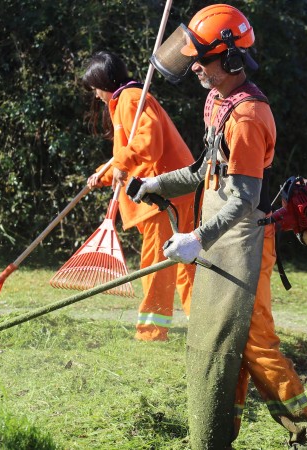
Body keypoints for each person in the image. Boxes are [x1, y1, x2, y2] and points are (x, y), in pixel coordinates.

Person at [131, 4, 307, 448]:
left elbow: (243, 199)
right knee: (221, 339)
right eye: (193, 59)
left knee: (255, 341)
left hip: (247, 240)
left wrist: (197, 238)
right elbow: (205, 171)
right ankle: (218, 433)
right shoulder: (218, 102)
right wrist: (156, 183)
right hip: (222, 239)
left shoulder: (247, 118)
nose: (196, 67)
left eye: (203, 60)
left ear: (234, 60)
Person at [81, 51, 196, 342]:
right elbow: (128, 155)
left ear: (103, 82)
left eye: (94, 87)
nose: (95, 96)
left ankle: (151, 333)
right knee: (185, 262)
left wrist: (119, 165)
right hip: (170, 193)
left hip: (163, 195)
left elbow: (149, 143)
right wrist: (104, 175)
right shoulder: (124, 102)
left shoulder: (131, 98)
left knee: (158, 265)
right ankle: (204, 323)